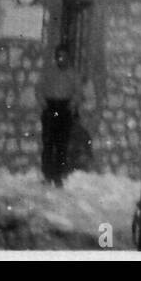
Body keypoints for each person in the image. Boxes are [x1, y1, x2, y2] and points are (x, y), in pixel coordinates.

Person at [40, 46, 81, 186]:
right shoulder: (49, 72)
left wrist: (71, 106)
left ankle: (58, 175)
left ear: (68, 58)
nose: (61, 59)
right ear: (56, 58)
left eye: (64, 56)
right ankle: (47, 175)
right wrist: (44, 105)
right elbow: (38, 89)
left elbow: (78, 92)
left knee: (61, 144)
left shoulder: (73, 74)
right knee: (48, 143)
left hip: (64, 109)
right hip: (50, 108)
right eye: (59, 56)